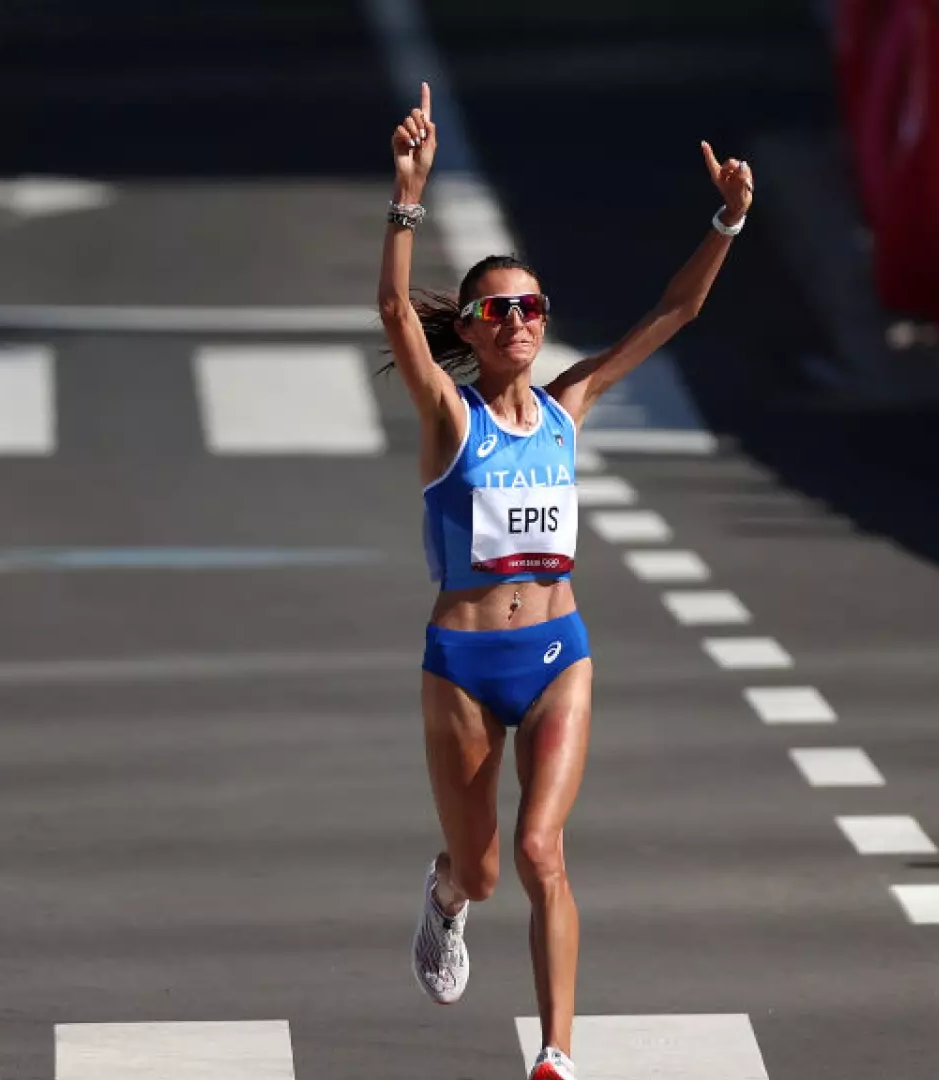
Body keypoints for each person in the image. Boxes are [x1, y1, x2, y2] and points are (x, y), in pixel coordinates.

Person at [375, 83, 754, 1080]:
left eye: (534, 308)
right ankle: (447, 896)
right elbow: (390, 314)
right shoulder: (452, 419)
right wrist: (406, 199)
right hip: (462, 663)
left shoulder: (568, 404)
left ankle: (556, 1055)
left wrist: (725, 219)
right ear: (475, 324)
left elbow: (674, 310)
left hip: (557, 655)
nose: (522, 323)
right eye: (502, 310)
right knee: (490, 874)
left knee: (543, 852)